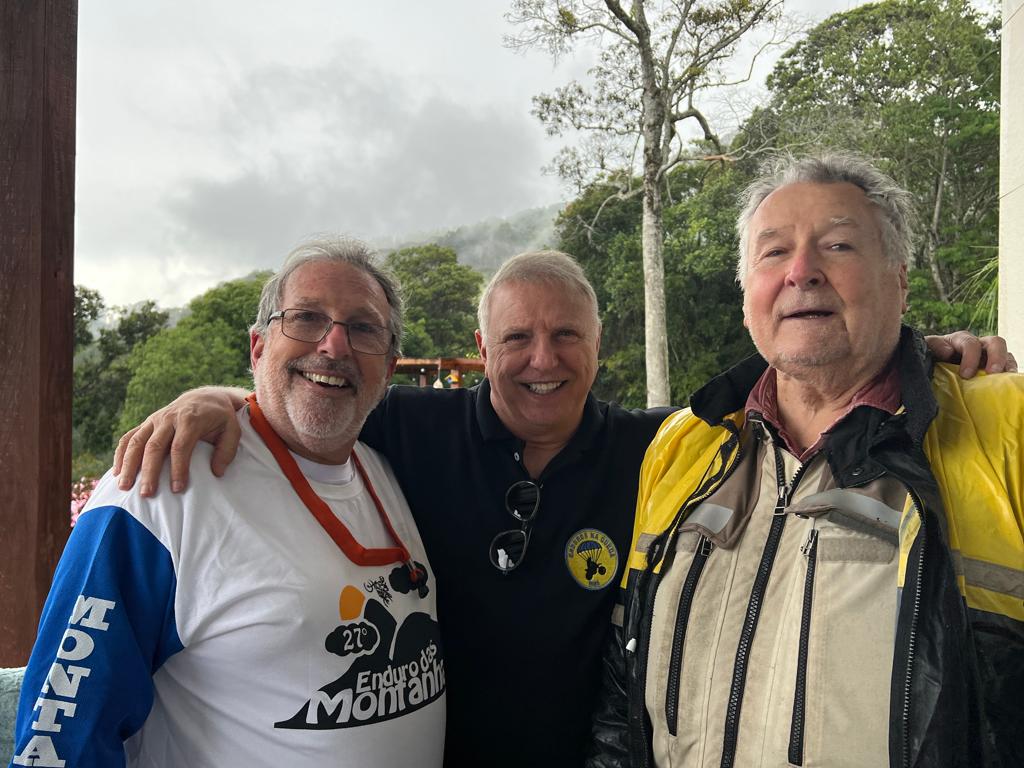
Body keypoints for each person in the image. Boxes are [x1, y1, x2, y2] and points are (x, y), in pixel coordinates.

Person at [113, 252, 1012, 768]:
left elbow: (802, 396)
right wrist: (217, 400)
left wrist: (913, 356)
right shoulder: (406, 429)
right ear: (482, 348)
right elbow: (313, 391)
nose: (542, 360)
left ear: (598, 344)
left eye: (566, 335)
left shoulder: (663, 453)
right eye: (517, 337)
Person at [588, 153, 1023, 768]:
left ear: (899, 281)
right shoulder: (684, 444)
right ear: (747, 296)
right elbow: (623, 684)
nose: (801, 272)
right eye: (773, 252)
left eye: (838, 245)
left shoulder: (1005, 429)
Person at [10, 239, 445, 767]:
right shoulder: (161, 487)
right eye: (306, 318)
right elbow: (62, 736)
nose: (334, 345)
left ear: (390, 366)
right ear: (258, 347)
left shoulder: (388, 468)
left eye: (363, 327)